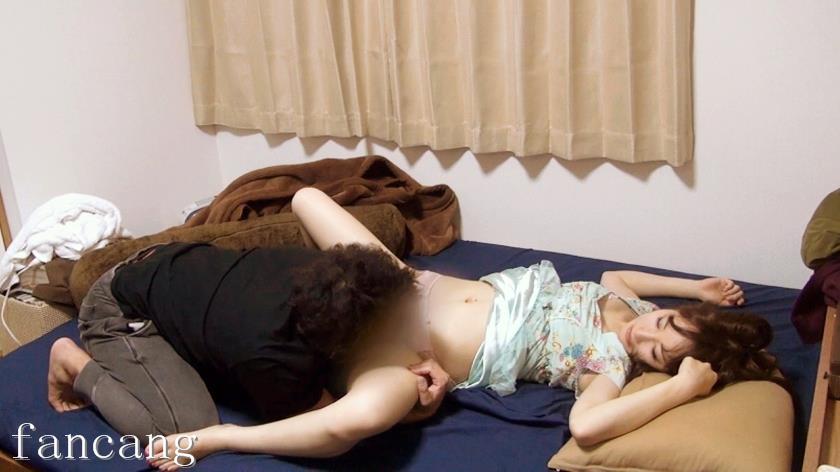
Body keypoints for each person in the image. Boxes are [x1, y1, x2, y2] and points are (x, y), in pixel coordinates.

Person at [134, 187, 785, 470]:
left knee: (356, 422)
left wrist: (680, 388)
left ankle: (221, 438)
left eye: (658, 355)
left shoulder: (608, 365)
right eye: (662, 325)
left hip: (407, 355)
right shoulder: (632, 309)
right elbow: (617, 276)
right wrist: (693, 289)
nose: (645, 338)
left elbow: (587, 428)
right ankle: (191, 246)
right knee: (308, 199)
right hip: (398, 284)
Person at [47, 240, 452, 452]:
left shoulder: (324, 269)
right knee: (182, 433)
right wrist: (410, 412)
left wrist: (420, 354)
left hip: (166, 265)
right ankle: (74, 364)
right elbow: (327, 425)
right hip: (120, 307)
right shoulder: (274, 355)